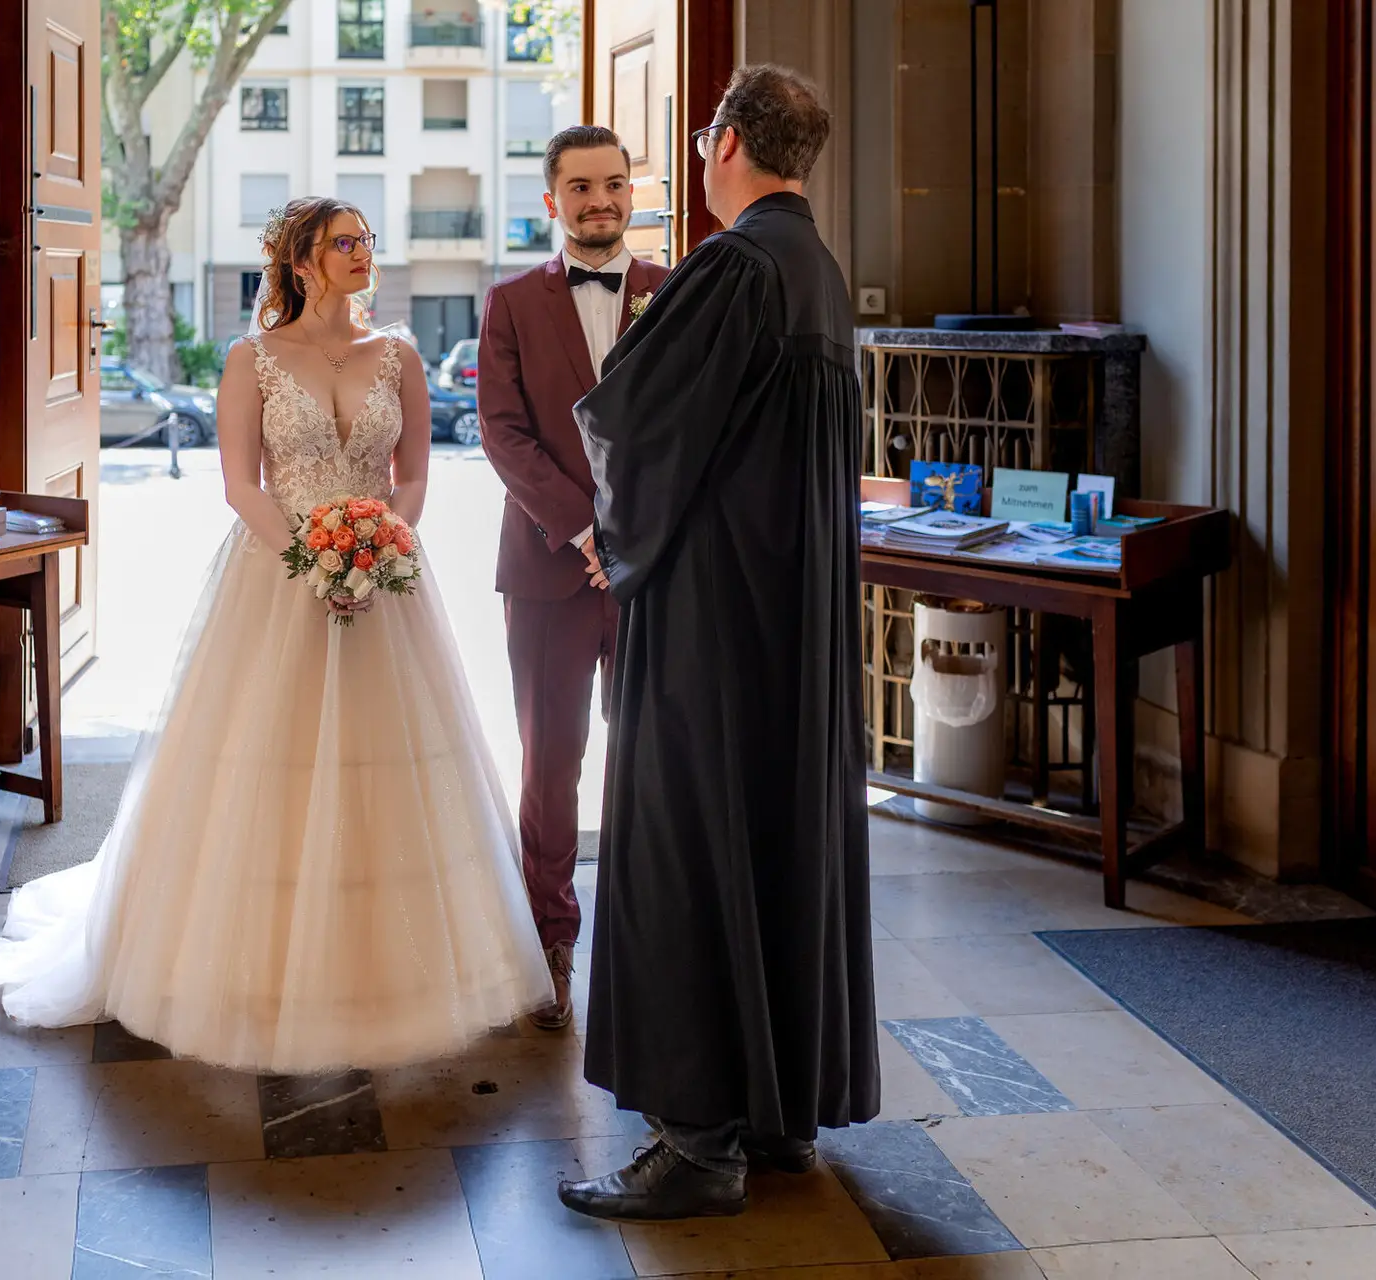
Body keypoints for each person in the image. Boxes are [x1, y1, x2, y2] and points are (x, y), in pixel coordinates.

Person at [0, 198, 551, 1072]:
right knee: (271, 762)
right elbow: (242, 485)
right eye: (343, 243)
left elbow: (412, 474)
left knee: (389, 766)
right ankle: (260, 967)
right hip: (279, 576)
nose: (361, 253)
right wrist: (318, 562)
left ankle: (391, 967)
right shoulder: (251, 359)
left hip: (385, 581)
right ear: (300, 262)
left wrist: (380, 548)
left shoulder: (402, 356)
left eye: (365, 241)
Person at [557, 65, 880, 1221]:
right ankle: (775, 1111)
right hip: (790, 629)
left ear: (731, 141)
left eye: (703, 135)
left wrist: (612, 533)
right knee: (774, 840)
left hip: (710, 621)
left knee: (685, 843)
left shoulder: (734, 265)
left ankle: (696, 1139)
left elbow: (637, 425)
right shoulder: (819, 271)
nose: (699, 153)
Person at [478, 125, 669, 1030]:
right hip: (548, 574)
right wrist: (583, 526)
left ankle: (652, 948)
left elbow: (687, 427)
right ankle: (550, 941)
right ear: (551, 201)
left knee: (653, 761)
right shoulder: (511, 302)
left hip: (657, 576)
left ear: (632, 193)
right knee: (550, 765)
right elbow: (503, 434)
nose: (601, 201)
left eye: (615, 184)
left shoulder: (676, 294)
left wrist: (637, 528)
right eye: (581, 187)